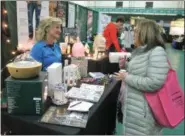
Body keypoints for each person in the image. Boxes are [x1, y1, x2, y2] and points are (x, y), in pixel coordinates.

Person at [114, 19, 169, 135]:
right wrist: (126, 65)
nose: (133, 34)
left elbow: (154, 82)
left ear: (144, 33)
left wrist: (126, 77)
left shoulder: (157, 52)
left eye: (136, 32)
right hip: (135, 108)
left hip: (144, 112)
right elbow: (140, 70)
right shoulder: (142, 50)